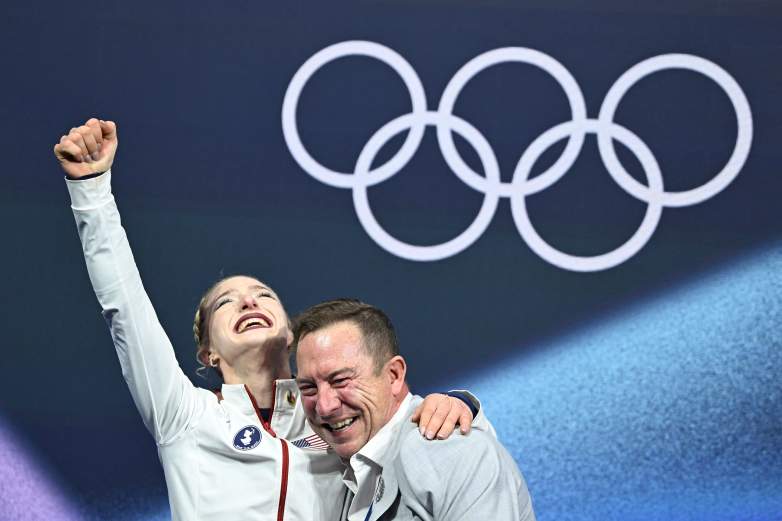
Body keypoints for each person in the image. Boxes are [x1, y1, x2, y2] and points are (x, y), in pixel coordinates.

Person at [54, 118, 482, 521]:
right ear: (208, 352)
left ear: (291, 336)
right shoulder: (185, 416)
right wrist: (91, 190)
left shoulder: (333, 414)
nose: (248, 302)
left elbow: (418, 431)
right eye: (226, 303)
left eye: (263, 296)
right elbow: (123, 305)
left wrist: (461, 404)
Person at [294, 299, 537, 521]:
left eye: (340, 381)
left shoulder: (444, 449)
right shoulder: (338, 470)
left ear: (394, 375)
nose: (324, 406)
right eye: (308, 388)